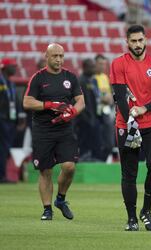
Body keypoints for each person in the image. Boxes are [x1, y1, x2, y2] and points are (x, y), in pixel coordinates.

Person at [110, 24, 151, 231]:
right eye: (133, 41)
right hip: (125, 124)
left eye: (140, 40)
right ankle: (131, 218)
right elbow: (119, 96)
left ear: (146, 40)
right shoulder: (118, 64)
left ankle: (146, 210)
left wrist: (144, 108)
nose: (137, 44)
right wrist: (131, 122)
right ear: (127, 42)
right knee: (129, 173)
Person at [23, 43, 85, 220]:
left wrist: (72, 111)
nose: (59, 59)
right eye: (55, 56)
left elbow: (81, 101)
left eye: (61, 56)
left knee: (69, 166)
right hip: (43, 130)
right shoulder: (38, 78)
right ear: (47, 57)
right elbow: (27, 102)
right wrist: (48, 105)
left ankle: (60, 199)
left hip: (65, 129)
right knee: (45, 170)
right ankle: (47, 209)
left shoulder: (70, 77)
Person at [0, 58, 20, 183]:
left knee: (5, 149)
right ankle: (1, 176)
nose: (15, 68)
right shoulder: (1, 82)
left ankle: (2, 175)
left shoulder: (10, 83)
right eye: (12, 66)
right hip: (2, 119)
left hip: (9, 120)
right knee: (2, 148)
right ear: (5, 67)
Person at [95, 54, 115, 161]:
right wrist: (102, 98)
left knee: (109, 143)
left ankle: (102, 160)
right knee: (97, 142)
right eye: (100, 64)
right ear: (95, 64)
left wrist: (111, 98)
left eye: (104, 64)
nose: (102, 66)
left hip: (106, 112)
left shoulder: (105, 77)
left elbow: (110, 93)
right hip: (95, 114)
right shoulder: (92, 77)